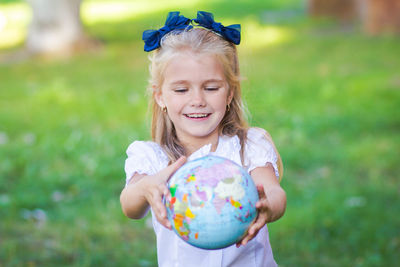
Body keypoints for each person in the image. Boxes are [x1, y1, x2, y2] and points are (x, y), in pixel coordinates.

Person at [120, 11, 287, 267]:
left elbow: (274, 191)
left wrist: (268, 206)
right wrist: (145, 188)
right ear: (160, 96)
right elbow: (130, 205)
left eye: (211, 88)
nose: (197, 100)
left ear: (230, 93)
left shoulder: (249, 146)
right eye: (181, 89)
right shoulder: (152, 157)